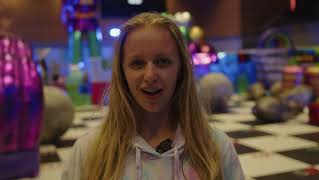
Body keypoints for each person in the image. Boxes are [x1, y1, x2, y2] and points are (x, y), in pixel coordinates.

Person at [61, 12, 245, 180]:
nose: (150, 76)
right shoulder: (89, 152)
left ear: (180, 70)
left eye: (162, 62)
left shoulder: (216, 149)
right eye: (137, 63)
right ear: (122, 73)